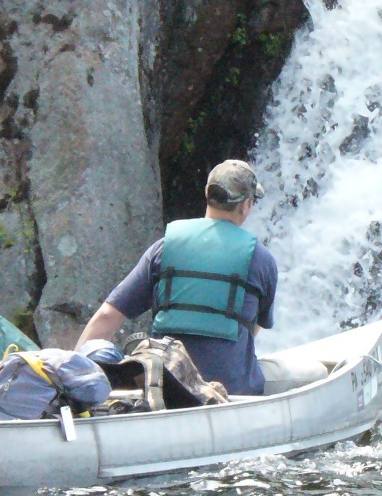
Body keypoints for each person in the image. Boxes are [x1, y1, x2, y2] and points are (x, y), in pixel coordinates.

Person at [75, 160, 278, 396]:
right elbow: (254, 328)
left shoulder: (163, 249)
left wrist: (71, 374)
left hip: (166, 389)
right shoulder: (262, 260)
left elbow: (108, 315)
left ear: (207, 194)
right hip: (232, 393)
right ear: (245, 205)